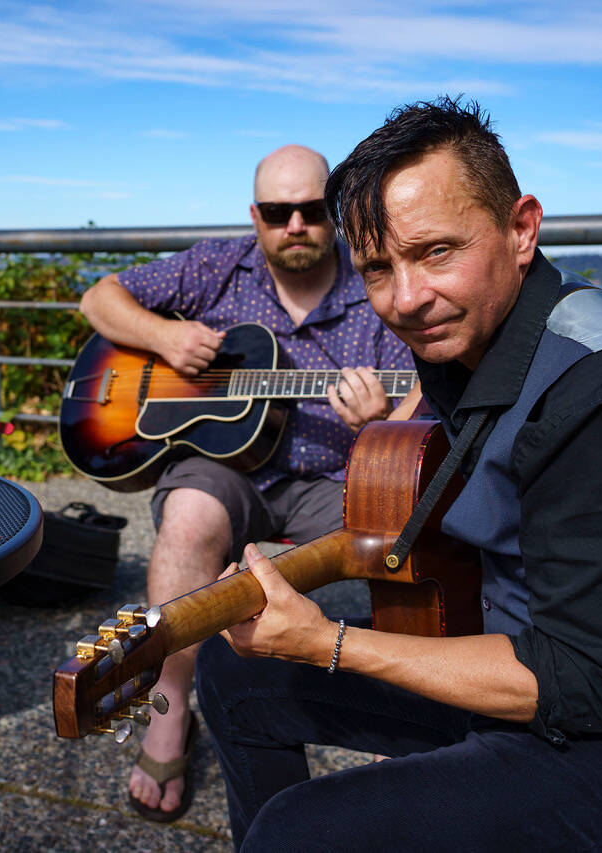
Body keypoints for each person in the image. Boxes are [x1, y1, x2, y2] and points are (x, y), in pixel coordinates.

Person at [195, 97, 602, 851]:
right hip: (538, 683)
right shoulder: (478, 340)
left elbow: (583, 685)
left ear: (521, 229)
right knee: (238, 671)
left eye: (437, 251)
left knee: (301, 832)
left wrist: (326, 640)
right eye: (377, 268)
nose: (406, 299)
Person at [78, 144, 420, 822]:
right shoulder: (217, 264)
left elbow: (421, 396)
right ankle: (169, 715)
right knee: (187, 518)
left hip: (336, 475)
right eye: (276, 211)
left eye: (311, 209)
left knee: (401, 530)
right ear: (255, 215)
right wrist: (164, 338)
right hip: (226, 469)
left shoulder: (376, 278)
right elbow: (99, 298)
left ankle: (403, 720)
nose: (295, 224)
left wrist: (383, 423)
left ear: (336, 212)